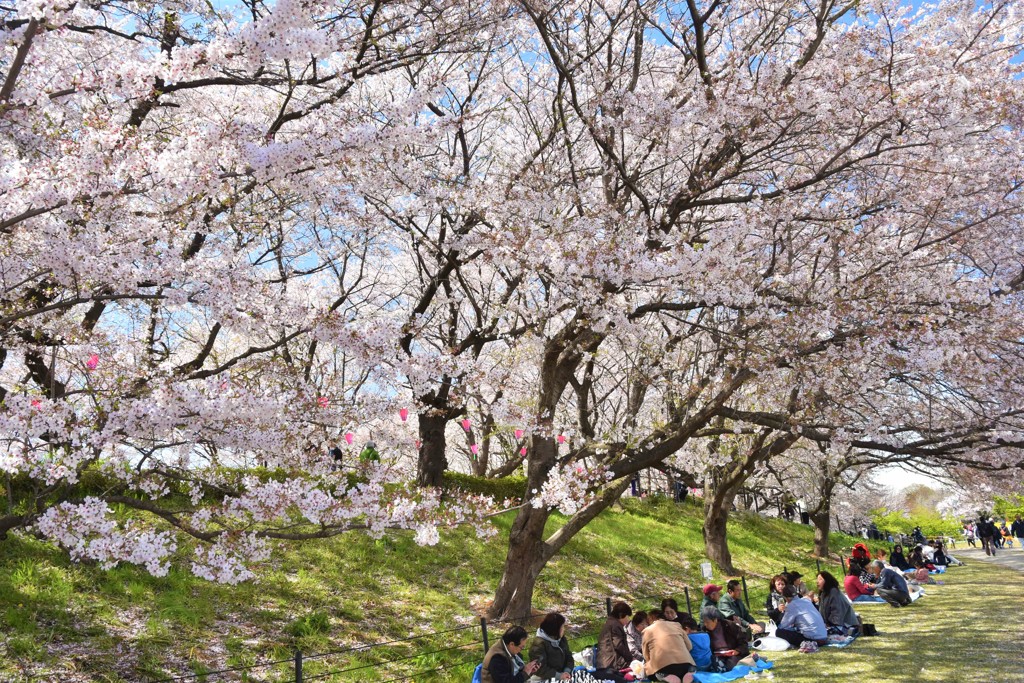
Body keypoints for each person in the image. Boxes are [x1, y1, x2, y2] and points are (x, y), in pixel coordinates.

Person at [642, 610, 697, 683]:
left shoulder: (647, 631)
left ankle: (664, 675)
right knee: (690, 667)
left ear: (649, 620)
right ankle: (690, 671)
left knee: (649, 671)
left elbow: (646, 656)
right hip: (686, 664)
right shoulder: (676, 625)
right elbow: (689, 646)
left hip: (663, 668)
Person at [700, 607, 758, 672]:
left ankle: (724, 667)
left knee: (732, 663)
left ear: (715, 620)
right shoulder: (704, 630)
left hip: (734, 654)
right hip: (717, 656)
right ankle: (720, 666)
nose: (705, 624)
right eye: (704, 622)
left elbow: (743, 642)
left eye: (707, 622)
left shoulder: (730, 625)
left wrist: (737, 651)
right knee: (713, 661)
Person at [528, 612, 573, 682]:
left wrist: (567, 671)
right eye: (562, 627)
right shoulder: (539, 645)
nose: (564, 629)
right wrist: (559, 675)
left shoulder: (561, 639)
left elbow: (569, 657)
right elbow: (540, 669)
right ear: (555, 629)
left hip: (563, 675)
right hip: (543, 679)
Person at [595, 601, 633, 683]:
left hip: (605, 663)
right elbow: (619, 645)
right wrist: (631, 658)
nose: (628, 620)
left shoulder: (610, 622)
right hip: (610, 664)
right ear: (621, 615)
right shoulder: (615, 625)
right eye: (627, 617)